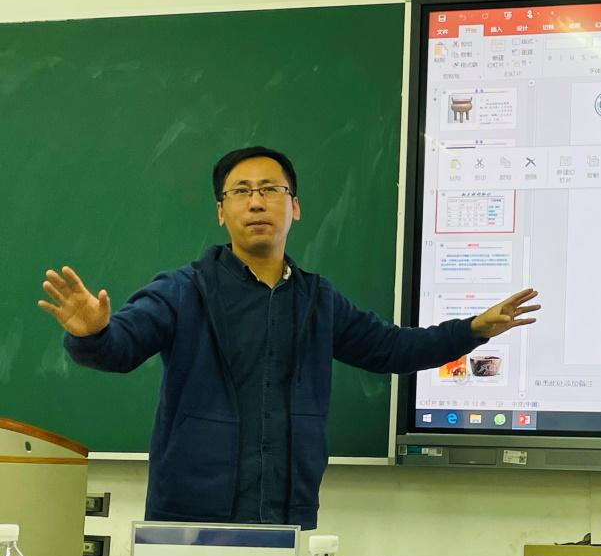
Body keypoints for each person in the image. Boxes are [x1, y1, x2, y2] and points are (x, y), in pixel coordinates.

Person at [37, 146, 539, 529]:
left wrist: (472, 330)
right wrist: (93, 333)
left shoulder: (317, 300)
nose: (256, 202)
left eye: (270, 189)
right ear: (220, 211)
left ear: (294, 207)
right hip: (188, 515)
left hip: (285, 511)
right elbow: (120, 348)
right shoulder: (183, 290)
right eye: (240, 191)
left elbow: (392, 348)